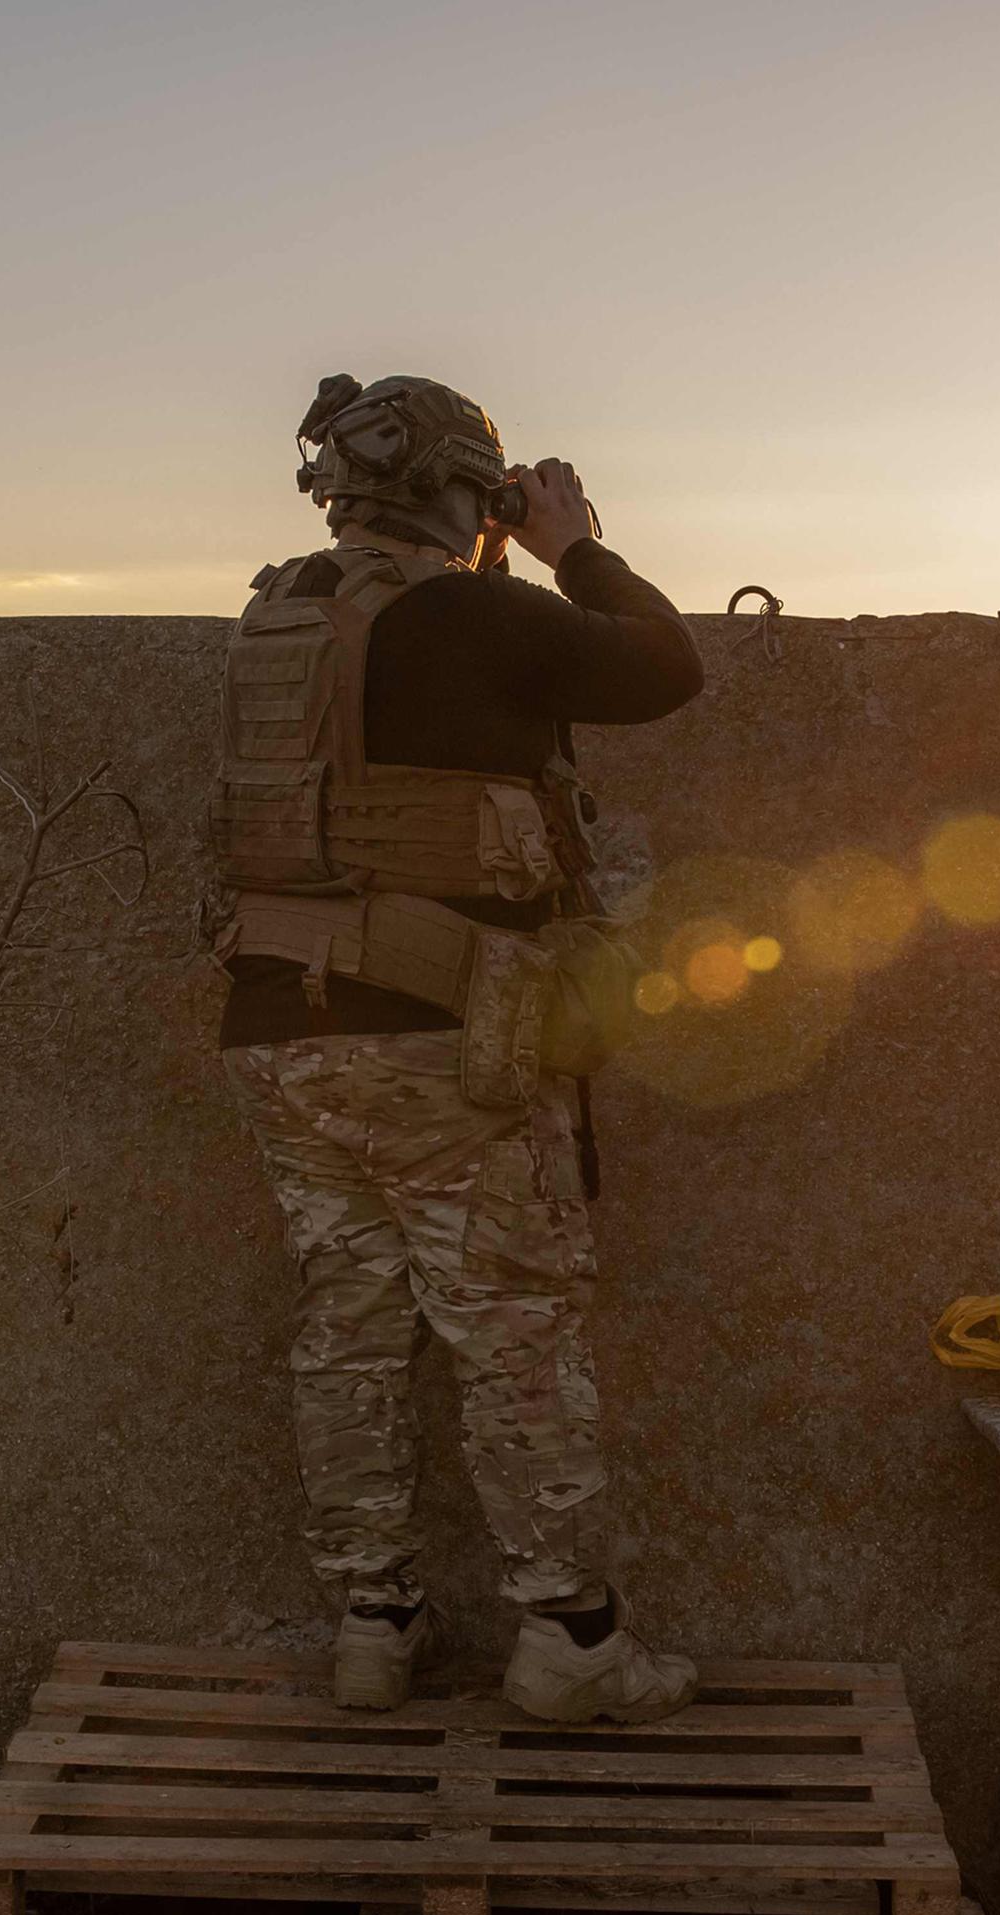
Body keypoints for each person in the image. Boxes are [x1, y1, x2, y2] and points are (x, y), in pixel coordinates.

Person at [208, 373, 704, 1721]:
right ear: (465, 498)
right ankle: (572, 1643)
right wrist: (574, 545)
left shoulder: (274, 623)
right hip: (441, 1041)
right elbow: (666, 665)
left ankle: (375, 1627)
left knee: (351, 1330)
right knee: (514, 1334)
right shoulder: (475, 611)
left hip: (282, 1033)